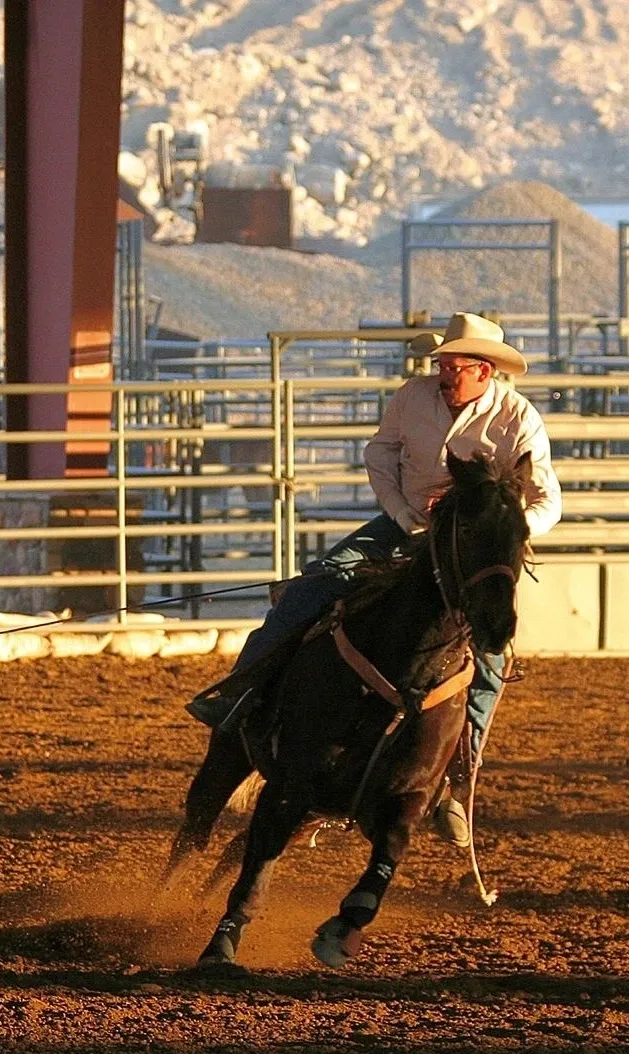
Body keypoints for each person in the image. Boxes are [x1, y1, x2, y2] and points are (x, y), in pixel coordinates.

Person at [188, 312, 562, 843]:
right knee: (309, 591)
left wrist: (495, 526)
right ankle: (238, 699)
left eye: (454, 367)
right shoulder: (413, 397)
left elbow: (548, 500)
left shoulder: (518, 418)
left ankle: (456, 779)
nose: (443, 376)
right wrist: (407, 514)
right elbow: (380, 452)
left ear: (484, 371)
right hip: (402, 522)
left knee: (491, 655)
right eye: (441, 365)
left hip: (464, 545)